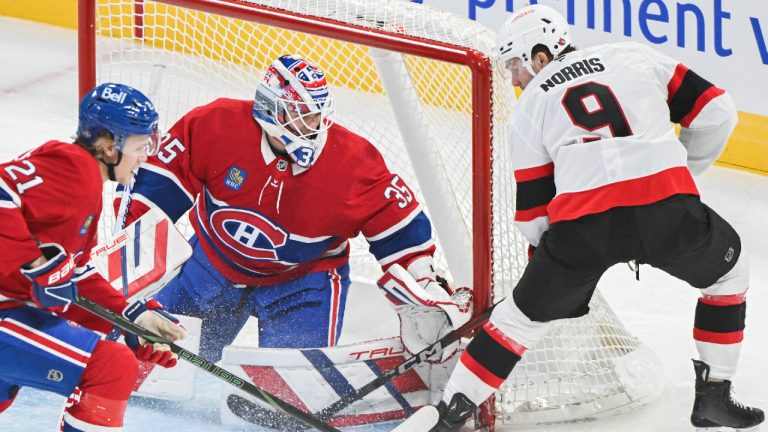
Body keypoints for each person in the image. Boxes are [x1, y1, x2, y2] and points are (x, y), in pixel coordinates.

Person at [406, 4, 764, 431]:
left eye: (516, 65)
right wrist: (682, 176)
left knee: (516, 324)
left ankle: (449, 419)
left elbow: (534, 214)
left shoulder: (529, 107)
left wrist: (545, 269)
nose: (516, 79)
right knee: (729, 277)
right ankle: (714, 396)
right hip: (669, 214)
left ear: (541, 55)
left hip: (584, 231)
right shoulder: (634, 55)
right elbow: (717, 112)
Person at [118, 54, 468, 366]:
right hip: (212, 264)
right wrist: (127, 270)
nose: (311, 129)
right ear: (270, 108)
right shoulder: (215, 125)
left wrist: (426, 282)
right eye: (299, 116)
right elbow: (152, 195)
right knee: (146, 361)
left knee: (286, 408)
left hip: (303, 282)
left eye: (315, 118)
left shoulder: (351, 162)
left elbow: (398, 224)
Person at [0, 83, 187, 431]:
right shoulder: (74, 169)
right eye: (140, 145)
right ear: (107, 144)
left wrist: (132, 319)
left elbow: (76, 277)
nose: (145, 156)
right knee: (110, 367)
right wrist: (36, 264)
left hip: (11, 309)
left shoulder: (87, 188)